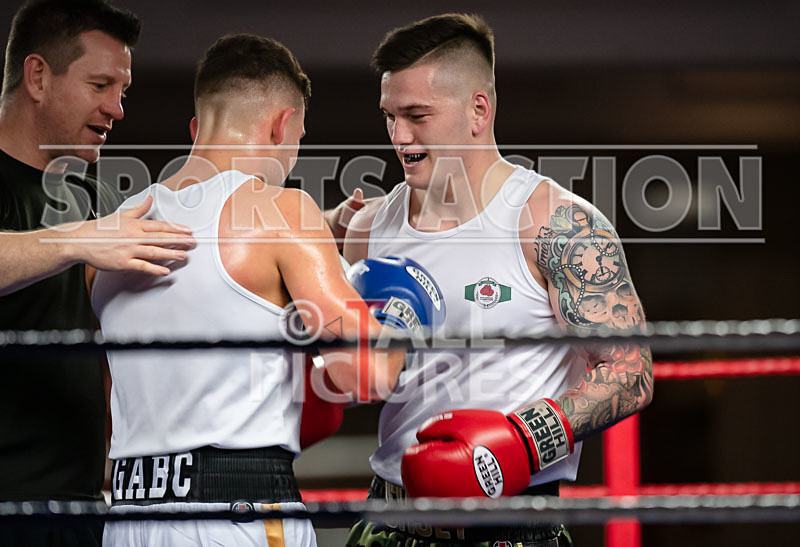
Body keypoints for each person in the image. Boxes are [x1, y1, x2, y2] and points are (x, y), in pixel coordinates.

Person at [89, 33, 443, 547]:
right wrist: (403, 305)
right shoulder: (283, 212)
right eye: (298, 138)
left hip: (129, 518)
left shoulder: (114, 231)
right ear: (282, 126)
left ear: (198, 128)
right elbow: (365, 375)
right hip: (238, 515)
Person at [343, 13, 653, 547]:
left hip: (512, 527)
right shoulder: (371, 229)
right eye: (390, 116)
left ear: (478, 110)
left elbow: (632, 371)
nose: (399, 136)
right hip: (388, 520)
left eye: (417, 115)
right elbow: (361, 381)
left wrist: (524, 439)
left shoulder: (553, 224)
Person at [0, 1, 193, 545]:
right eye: (101, 84)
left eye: (122, 91)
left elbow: (198, 242)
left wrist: (319, 227)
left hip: (83, 506)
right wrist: (77, 239)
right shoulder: (88, 222)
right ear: (38, 76)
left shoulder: (98, 201)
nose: (118, 108)